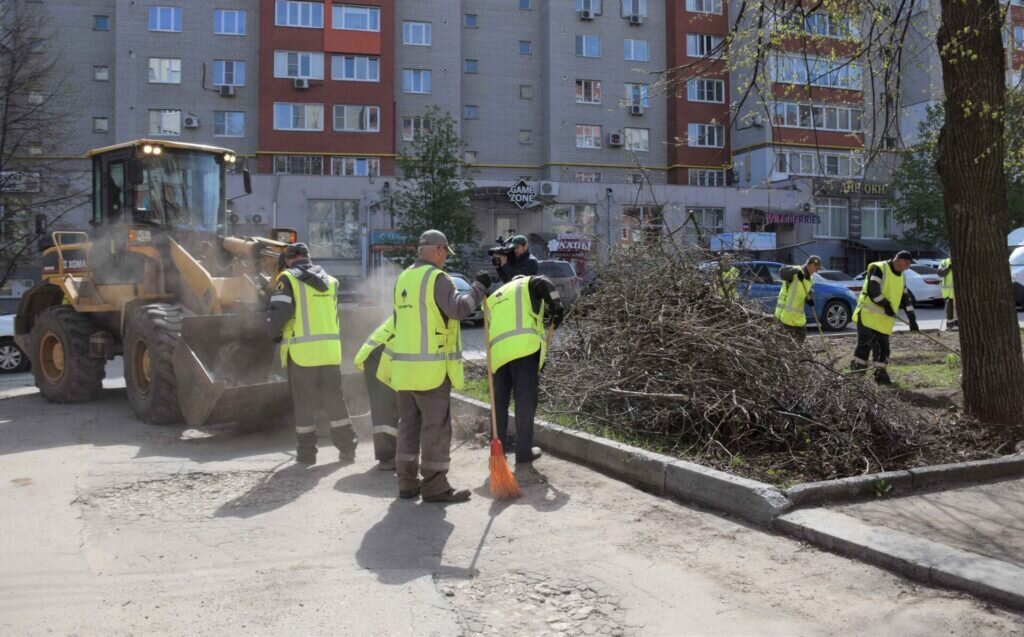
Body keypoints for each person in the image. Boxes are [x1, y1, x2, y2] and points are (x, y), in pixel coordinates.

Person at [389, 230, 490, 503]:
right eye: (445, 253)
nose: (446, 258)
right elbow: (458, 309)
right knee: (435, 429)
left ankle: (407, 484)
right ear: (437, 249)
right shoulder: (437, 278)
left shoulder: (402, 279)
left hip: (404, 371)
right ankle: (434, 487)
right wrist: (479, 288)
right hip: (430, 372)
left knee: (408, 426)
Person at [266, 243, 357, 465]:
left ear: (288, 259)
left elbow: (280, 312)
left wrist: (273, 332)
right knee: (335, 401)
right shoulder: (331, 281)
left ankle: (307, 454)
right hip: (329, 353)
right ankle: (347, 449)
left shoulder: (287, 278)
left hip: (302, 354)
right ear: (309, 257)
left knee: (304, 404)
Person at [486, 274, 565, 484]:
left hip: (499, 355)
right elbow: (544, 282)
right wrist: (557, 307)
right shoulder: (527, 283)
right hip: (524, 350)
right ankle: (523, 462)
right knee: (525, 404)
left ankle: (497, 458)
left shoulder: (494, 296)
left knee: (499, 406)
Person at [851, 250, 920, 385]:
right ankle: (855, 379)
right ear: (900, 260)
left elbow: (906, 299)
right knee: (864, 347)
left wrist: (912, 319)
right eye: (908, 264)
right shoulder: (879, 268)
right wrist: (886, 305)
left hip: (884, 321)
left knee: (883, 350)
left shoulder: (901, 277)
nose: (908, 267)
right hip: (868, 317)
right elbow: (873, 291)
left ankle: (880, 376)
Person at [353, 315, 398, 471]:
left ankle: (396, 454)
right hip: (380, 357)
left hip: (383, 353)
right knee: (386, 407)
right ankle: (388, 457)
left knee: (392, 405)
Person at [775, 256, 822, 343]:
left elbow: (807, 292)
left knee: (800, 340)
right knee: (785, 343)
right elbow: (782, 272)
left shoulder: (810, 279)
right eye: (816, 268)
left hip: (799, 319)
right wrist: (795, 271)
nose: (817, 271)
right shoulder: (796, 271)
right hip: (786, 316)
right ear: (811, 265)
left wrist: (809, 299)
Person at [938, 257, 957, 330]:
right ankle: (950, 326)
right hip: (948, 292)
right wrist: (948, 267)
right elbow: (940, 273)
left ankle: (957, 325)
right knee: (949, 311)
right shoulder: (945, 262)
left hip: (958, 293)